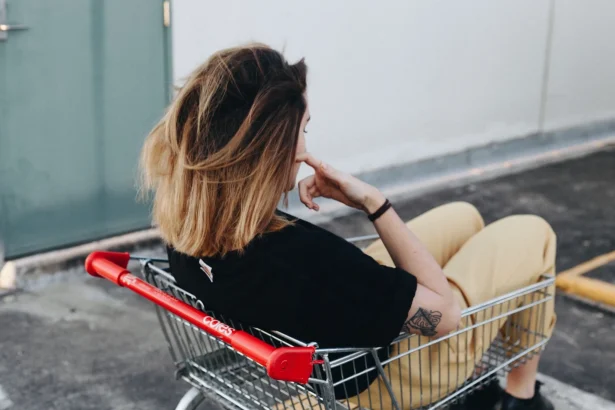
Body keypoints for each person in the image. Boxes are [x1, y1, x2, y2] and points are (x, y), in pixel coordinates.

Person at [139, 44, 556, 410]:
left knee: (464, 216)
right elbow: (444, 317)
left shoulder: (188, 237)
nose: (305, 150)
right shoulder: (304, 258)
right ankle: (520, 398)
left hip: (322, 327)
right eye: (302, 132)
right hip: (391, 374)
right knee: (532, 231)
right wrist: (372, 202)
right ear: (270, 154)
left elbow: (326, 275)